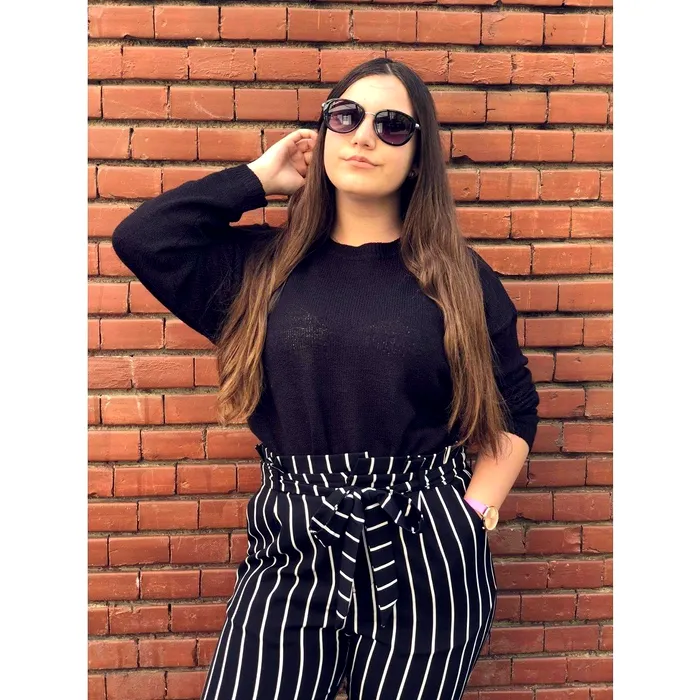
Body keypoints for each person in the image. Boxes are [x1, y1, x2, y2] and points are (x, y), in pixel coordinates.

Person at [112, 57, 539, 700]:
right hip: (293, 549)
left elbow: (514, 407)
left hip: (427, 546)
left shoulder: (459, 277)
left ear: (418, 157)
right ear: (324, 131)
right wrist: (259, 178)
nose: (364, 136)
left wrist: (473, 515)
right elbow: (144, 238)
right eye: (346, 117)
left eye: (392, 125)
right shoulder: (262, 268)